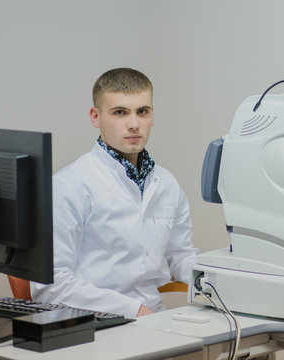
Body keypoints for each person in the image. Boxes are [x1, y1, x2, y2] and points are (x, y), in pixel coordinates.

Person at [31, 68, 198, 318]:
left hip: (155, 318)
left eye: (142, 111)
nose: (134, 124)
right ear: (95, 117)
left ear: (152, 115)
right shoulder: (69, 185)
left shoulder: (166, 183)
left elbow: (181, 255)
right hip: (91, 321)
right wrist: (133, 310)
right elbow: (51, 285)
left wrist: (220, 287)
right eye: (120, 112)